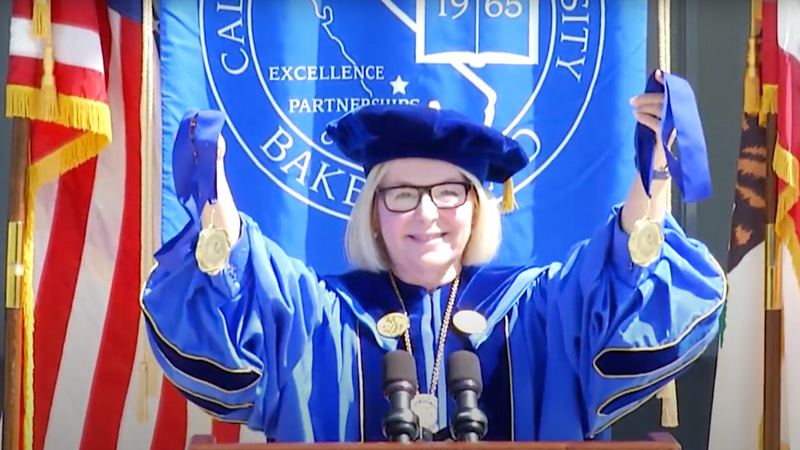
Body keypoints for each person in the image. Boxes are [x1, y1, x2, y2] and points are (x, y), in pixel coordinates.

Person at [140, 74, 726, 442]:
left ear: (477, 208)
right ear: (374, 212)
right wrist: (216, 203)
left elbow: (619, 277)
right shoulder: (324, 316)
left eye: (449, 193)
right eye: (402, 195)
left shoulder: (533, 311)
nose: (426, 214)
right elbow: (241, 291)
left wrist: (653, 178)